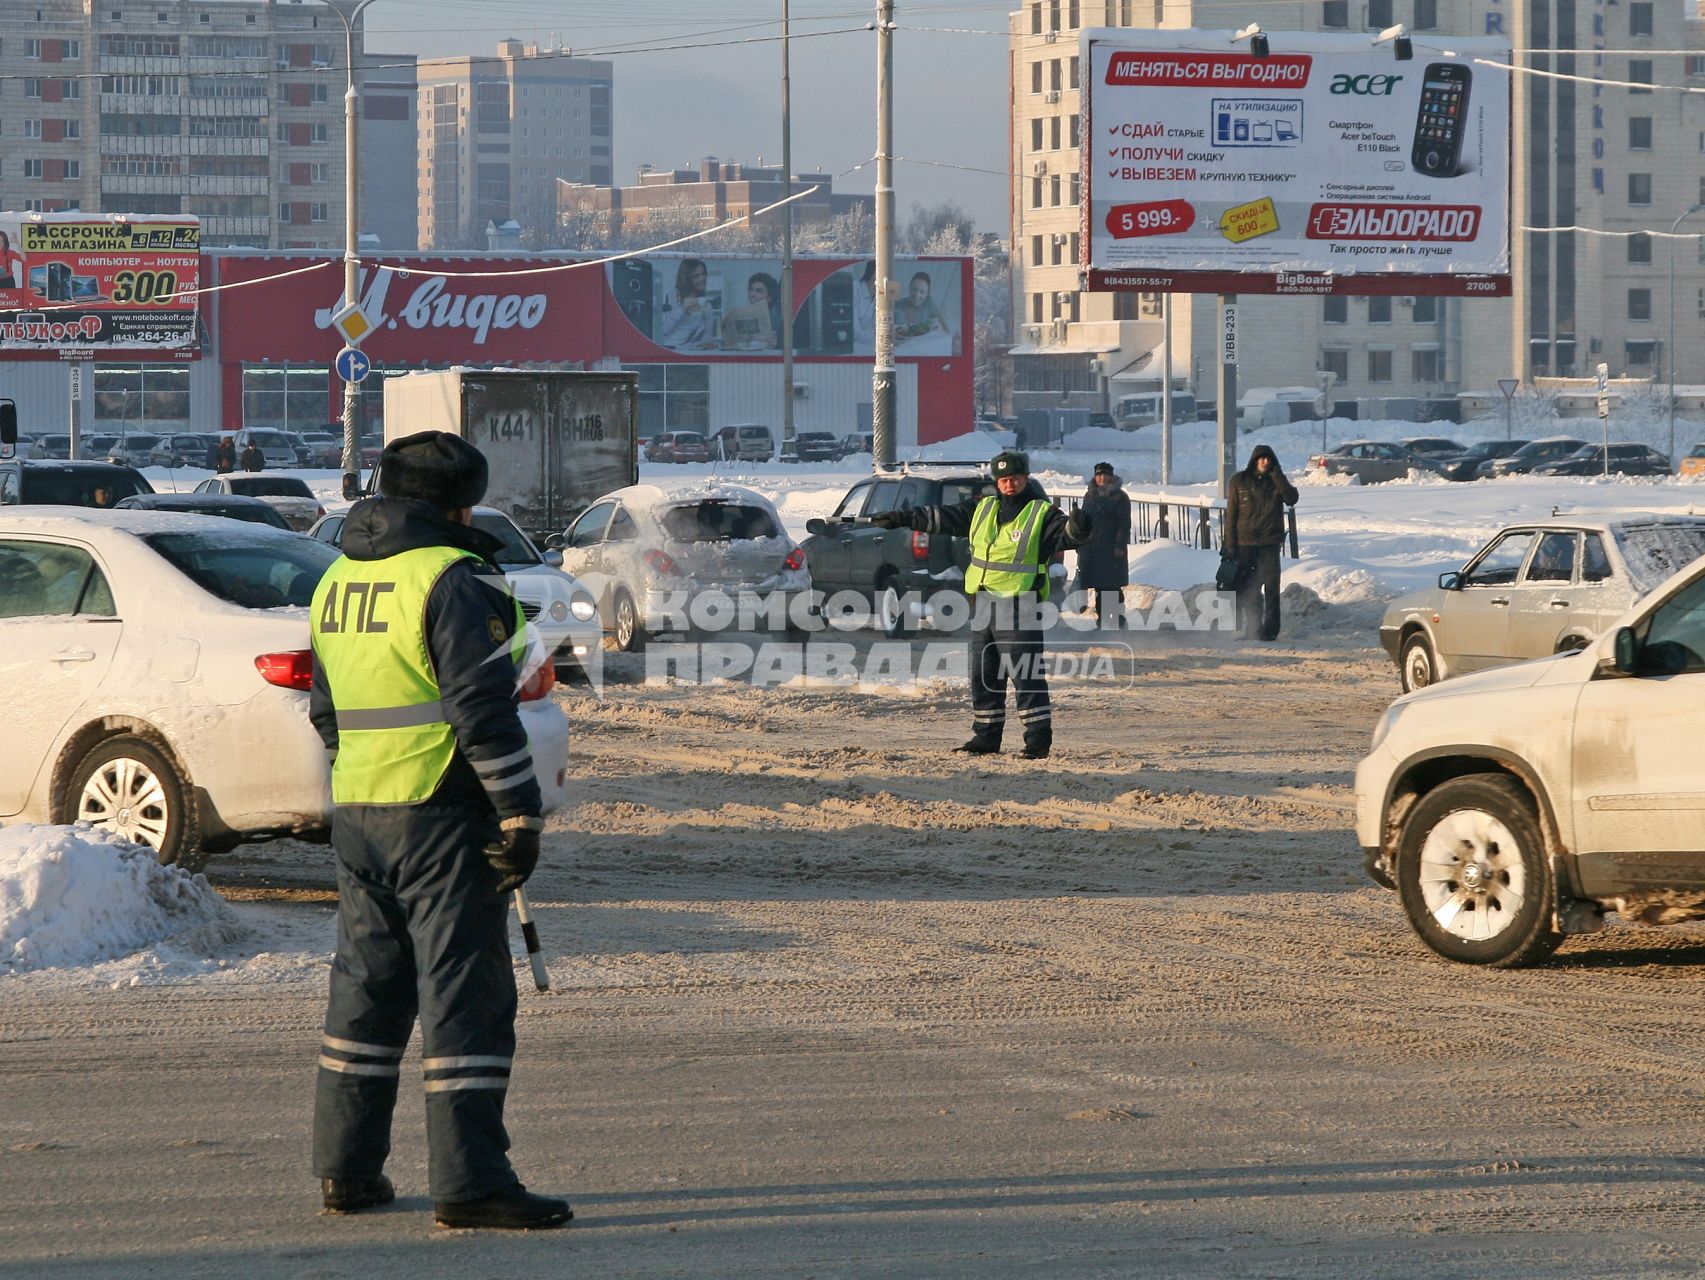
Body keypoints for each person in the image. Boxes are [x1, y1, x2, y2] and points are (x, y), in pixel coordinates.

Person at [308, 430, 570, 1231]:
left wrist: (367, 779)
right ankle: (470, 1183)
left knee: (368, 994)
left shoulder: (339, 578)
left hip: (360, 809)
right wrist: (520, 813)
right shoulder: (455, 580)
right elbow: (484, 713)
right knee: (466, 999)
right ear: (461, 502)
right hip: (442, 814)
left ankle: (347, 1172)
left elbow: (325, 713)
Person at [871, 450, 1089, 759]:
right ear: (996, 482)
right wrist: (901, 518)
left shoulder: (1041, 513)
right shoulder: (983, 509)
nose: (1009, 485)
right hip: (983, 602)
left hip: (1019, 605)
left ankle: (1037, 742)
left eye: (1014, 479)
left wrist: (1080, 528)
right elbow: (942, 517)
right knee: (984, 675)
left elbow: (1067, 536)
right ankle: (986, 737)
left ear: (1025, 478)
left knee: (1025, 675)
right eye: (1003, 480)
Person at [1224, 443, 1299, 642]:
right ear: (1255, 460)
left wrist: (1277, 475)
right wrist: (1230, 545)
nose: (1265, 462)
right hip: (1245, 543)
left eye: (1269, 459)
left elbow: (1292, 498)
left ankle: (1270, 631)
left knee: (1272, 587)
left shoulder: (1276, 481)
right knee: (1249, 587)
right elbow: (1231, 515)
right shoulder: (1238, 481)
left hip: (1269, 543)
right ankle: (1253, 629)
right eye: (1262, 458)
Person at [1076, 462, 1131, 624]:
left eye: (1105, 474)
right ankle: (1103, 620)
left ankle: (1115, 621)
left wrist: (1119, 545)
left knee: (1111, 586)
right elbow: (1085, 519)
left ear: (1111, 476)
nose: (1102, 478)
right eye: (1099, 475)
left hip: (1111, 549)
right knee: (1099, 586)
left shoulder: (1119, 497)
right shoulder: (1090, 495)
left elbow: (1124, 523)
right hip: (1091, 548)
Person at [657, 257, 717, 349]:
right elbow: (662, 330)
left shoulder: (706, 306)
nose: (702, 278)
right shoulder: (672, 296)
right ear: (687, 279)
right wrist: (682, 309)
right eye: (696, 276)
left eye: (704, 274)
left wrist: (704, 345)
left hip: (684, 352)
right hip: (662, 348)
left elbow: (706, 340)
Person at [720, 273, 779, 350]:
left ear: (769, 297)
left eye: (759, 291)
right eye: (751, 290)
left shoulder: (776, 317)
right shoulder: (742, 314)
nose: (752, 294)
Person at [893, 271, 950, 339]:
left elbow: (946, 331)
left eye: (922, 292)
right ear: (909, 288)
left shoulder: (929, 305)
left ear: (927, 293)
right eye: (914, 289)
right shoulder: (897, 305)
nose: (917, 295)